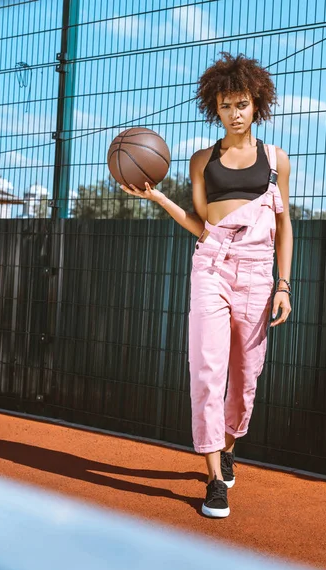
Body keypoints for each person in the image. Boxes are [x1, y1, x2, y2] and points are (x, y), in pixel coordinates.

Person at [121, 52, 293, 519]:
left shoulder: (276, 160)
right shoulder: (202, 160)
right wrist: (158, 197)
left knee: (245, 378)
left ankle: (229, 443)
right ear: (213, 109)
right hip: (212, 267)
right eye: (224, 106)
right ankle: (216, 479)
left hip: (259, 272)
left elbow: (285, 225)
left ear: (256, 104)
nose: (233, 113)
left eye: (241, 103)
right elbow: (201, 225)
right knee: (207, 371)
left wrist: (284, 284)